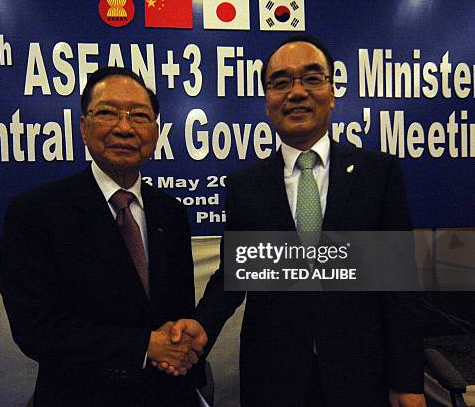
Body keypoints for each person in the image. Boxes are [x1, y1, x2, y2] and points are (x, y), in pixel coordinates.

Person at [168, 36, 425, 406]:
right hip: (274, 377)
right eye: (281, 82)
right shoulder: (246, 185)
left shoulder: (378, 174)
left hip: (362, 375)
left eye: (312, 78)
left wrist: (408, 382)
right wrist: (201, 325)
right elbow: (233, 275)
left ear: (332, 92)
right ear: (268, 100)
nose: (297, 92)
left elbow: (400, 287)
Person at [0, 66, 204, 406]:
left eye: (140, 116)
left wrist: (181, 347)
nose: (124, 128)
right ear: (83, 127)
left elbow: (177, 311)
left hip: (167, 395)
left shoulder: (171, 212)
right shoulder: (35, 212)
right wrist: (143, 346)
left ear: (155, 131)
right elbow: (34, 328)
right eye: (107, 113)